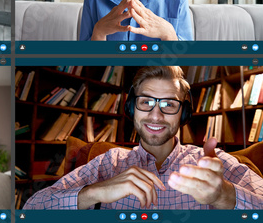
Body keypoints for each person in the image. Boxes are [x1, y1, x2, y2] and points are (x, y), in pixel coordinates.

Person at [23, 66, 263, 210]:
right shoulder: (108, 162)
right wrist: (95, 192)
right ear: (131, 109)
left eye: (169, 104)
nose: (156, 115)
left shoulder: (214, 163)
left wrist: (225, 195)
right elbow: (32, 208)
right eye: (146, 102)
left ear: (184, 113)